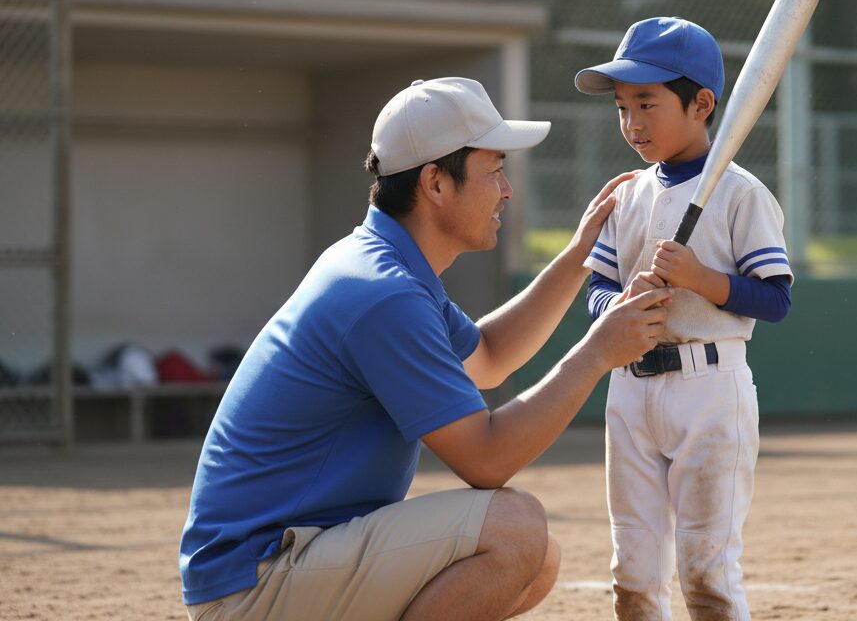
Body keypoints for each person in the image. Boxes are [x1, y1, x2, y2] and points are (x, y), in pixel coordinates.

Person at [179, 77, 672, 621]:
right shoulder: (384, 293)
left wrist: (582, 254)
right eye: (494, 170)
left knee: (537, 560)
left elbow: (487, 358)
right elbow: (488, 461)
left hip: (276, 567)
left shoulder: (382, 265)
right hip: (253, 587)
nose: (506, 189)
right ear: (436, 183)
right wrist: (598, 352)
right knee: (515, 531)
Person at [574, 18, 794, 621]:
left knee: (706, 570)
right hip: (631, 388)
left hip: (710, 389)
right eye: (622, 107)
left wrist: (701, 279)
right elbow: (599, 285)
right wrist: (613, 309)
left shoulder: (741, 193)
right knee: (634, 572)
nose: (632, 122)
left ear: (702, 104)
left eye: (647, 102)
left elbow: (775, 300)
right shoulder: (628, 193)